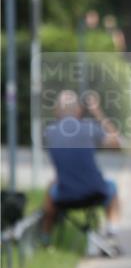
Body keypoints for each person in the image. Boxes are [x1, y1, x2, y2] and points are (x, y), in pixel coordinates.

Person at [42, 90, 122, 256]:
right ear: (79, 110)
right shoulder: (91, 129)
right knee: (112, 187)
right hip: (96, 192)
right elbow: (117, 143)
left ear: (56, 111)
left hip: (64, 195)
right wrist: (97, 111)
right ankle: (112, 233)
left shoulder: (49, 133)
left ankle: (45, 240)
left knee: (50, 189)